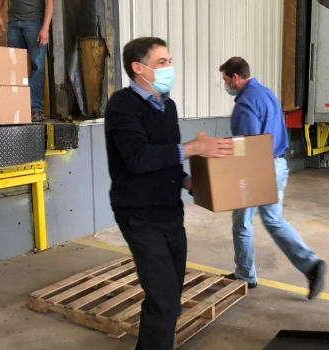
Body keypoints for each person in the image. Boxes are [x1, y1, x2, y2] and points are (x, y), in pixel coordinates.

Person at [104, 37, 234, 350]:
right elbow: (138, 158)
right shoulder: (122, 105)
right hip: (139, 215)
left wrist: (197, 184)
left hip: (170, 213)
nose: (169, 68)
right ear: (139, 68)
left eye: (169, 61)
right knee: (163, 300)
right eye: (162, 62)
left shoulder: (167, 105)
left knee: (171, 298)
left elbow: (169, 162)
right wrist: (194, 148)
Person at [220, 57, 326, 300]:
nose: (226, 85)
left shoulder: (245, 103)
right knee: (274, 221)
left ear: (235, 77)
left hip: (258, 169)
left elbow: (248, 145)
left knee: (242, 222)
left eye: (226, 79)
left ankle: (245, 275)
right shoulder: (266, 94)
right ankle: (311, 265)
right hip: (278, 164)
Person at [0, 0, 53, 123]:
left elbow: (49, 3)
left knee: (37, 66)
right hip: (14, 24)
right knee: (14, 67)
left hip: (35, 24)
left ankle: (35, 108)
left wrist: (45, 28)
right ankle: (16, 107)